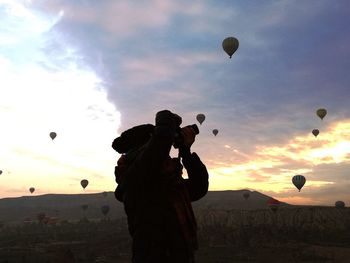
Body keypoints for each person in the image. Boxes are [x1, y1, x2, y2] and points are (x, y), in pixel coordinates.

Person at [112, 110, 209, 263]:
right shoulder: (135, 179)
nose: (166, 153)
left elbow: (199, 186)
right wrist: (167, 119)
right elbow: (159, 144)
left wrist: (185, 151)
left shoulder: (169, 184)